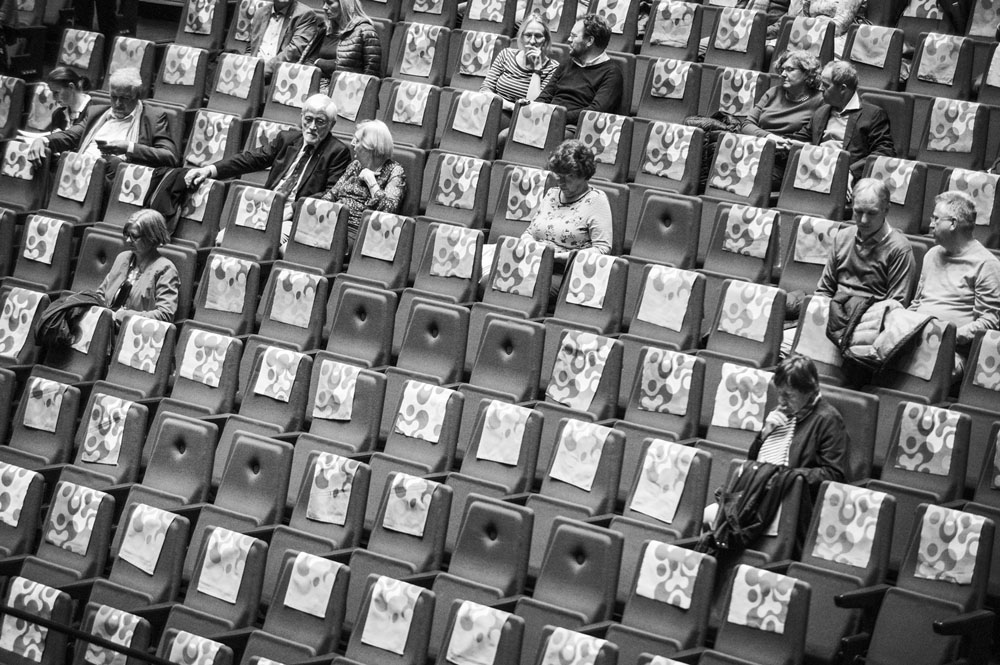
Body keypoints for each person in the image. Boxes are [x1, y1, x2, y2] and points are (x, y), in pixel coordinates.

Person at [702, 354, 848, 537]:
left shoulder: (828, 420)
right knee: (709, 517)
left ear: (809, 391)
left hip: (788, 503)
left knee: (718, 525)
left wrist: (781, 476)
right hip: (757, 493)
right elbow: (753, 460)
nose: (781, 401)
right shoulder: (781, 413)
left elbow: (834, 476)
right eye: (779, 393)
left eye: (788, 395)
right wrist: (763, 435)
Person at [185, 94, 351, 250]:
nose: (312, 127)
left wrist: (295, 207)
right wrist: (209, 170)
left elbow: (331, 193)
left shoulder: (338, 152)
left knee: (262, 244)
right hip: (265, 208)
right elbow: (250, 159)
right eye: (308, 119)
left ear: (331, 125)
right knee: (222, 239)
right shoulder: (287, 139)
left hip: (296, 217)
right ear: (302, 118)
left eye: (320, 122)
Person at [909, 191, 1000, 376]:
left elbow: (989, 322)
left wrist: (947, 336)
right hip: (914, 340)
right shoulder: (931, 254)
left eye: (936, 219)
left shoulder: (986, 264)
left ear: (953, 223)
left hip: (951, 351)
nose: (931, 224)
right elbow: (917, 303)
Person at [26, 67, 179, 170]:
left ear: (137, 96)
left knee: (111, 163)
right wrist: (44, 140)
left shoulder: (153, 117)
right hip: (83, 168)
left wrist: (128, 147)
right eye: (114, 97)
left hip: (115, 175)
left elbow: (170, 157)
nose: (117, 104)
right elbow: (70, 135)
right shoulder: (97, 113)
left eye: (125, 98)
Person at [814, 178, 915, 305]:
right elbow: (824, 291)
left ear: (886, 210)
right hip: (836, 312)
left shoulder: (899, 248)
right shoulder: (842, 237)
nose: (864, 220)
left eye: (872, 213)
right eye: (858, 212)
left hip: (872, 318)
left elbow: (895, 305)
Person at [792, 60, 895, 181]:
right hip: (815, 172)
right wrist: (780, 141)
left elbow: (884, 152)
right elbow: (801, 138)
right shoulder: (821, 112)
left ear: (842, 88)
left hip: (847, 177)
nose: (820, 89)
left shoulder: (873, 114)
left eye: (825, 85)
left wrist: (851, 172)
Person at [520, 139, 613, 264]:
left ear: (584, 175)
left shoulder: (596, 200)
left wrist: (558, 257)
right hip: (533, 261)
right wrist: (530, 246)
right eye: (558, 176)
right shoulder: (552, 194)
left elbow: (602, 249)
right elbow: (529, 232)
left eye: (569, 176)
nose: (561, 182)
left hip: (567, 270)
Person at [741, 50, 823, 186]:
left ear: (807, 73)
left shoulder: (820, 101)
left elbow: (815, 140)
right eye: (782, 70)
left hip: (784, 161)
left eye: (790, 70)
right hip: (756, 149)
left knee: (747, 174)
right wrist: (769, 137)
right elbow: (747, 124)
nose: (783, 74)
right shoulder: (773, 92)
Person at [320, 120, 405, 250]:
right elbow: (332, 194)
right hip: (331, 223)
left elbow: (388, 211)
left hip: (358, 233)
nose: (353, 144)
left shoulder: (394, 171)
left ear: (371, 146)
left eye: (357, 140)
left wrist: (372, 182)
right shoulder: (355, 165)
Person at [535, 14, 623, 131]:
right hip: (547, 120)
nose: (569, 39)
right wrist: (535, 109)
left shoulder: (611, 73)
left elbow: (594, 112)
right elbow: (546, 95)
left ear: (589, 41)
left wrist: (556, 116)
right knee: (505, 136)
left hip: (575, 129)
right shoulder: (567, 63)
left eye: (574, 36)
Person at [96, 209, 179, 324]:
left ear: (151, 237)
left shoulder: (165, 269)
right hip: (107, 325)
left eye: (134, 236)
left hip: (136, 332)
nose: (128, 240)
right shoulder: (122, 258)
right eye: (127, 234)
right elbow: (100, 294)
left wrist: (123, 316)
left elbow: (165, 314)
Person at [481, 13, 560, 122]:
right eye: (528, 35)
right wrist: (511, 106)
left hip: (525, 119)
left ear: (545, 40)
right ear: (521, 38)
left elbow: (534, 106)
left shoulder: (553, 68)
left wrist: (537, 70)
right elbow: (485, 90)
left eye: (538, 36)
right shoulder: (506, 55)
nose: (532, 41)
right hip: (497, 110)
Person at [302, 0, 382, 86]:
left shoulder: (366, 31)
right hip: (317, 85)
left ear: (344, 4)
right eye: (323, 2)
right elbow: (308, 61)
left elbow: (370, 78)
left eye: (329, 3)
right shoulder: (325, 29)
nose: (324, 7)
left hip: (347, 89)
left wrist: (320, 62)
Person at [248, 0, 322, 78]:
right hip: (252, 72)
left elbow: (294, 52)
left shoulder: (305, 14)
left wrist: (258, 73)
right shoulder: (260, 12)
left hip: (279, 77)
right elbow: (250, 49)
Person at [787, 0, 863, 54]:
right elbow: (798, 19)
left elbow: (840, 26)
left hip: (839, 36)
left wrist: (811, 35)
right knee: (781, 46)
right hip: (811, 32)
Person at [44, 67, 94, 132]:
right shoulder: (58, 115)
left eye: (56, 92)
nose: (54, 97)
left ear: (71, 87)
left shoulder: (93, 113)